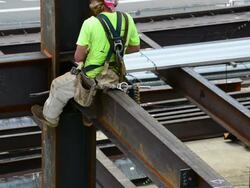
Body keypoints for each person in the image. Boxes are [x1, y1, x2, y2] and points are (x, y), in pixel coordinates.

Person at [31, 0, 140, 127]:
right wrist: (115, 51)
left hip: (93, 76)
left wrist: (96, 52)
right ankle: (88, 117)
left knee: (58, 86)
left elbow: (78, 57)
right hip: (115, 76)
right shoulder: (127, 19)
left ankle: (50, 118)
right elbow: (135, 47)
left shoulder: (90, 23)